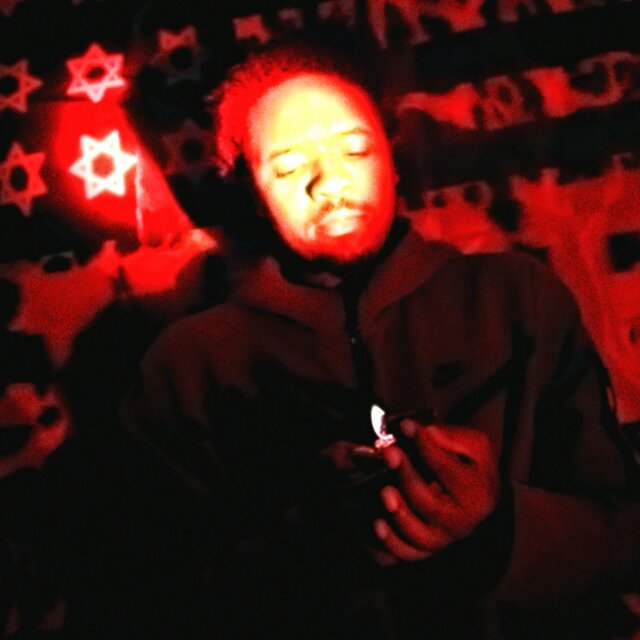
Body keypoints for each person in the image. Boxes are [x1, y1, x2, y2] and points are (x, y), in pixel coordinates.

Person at [122, 42, 640, 639]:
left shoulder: (516, 298)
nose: (328, 183)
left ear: (391, 160)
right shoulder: (188, 367)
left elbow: (622, 538)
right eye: (288, 167)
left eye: (354, 150)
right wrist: (310, 535)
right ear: (253, 192)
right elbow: (159, 601)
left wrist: (499, 529)